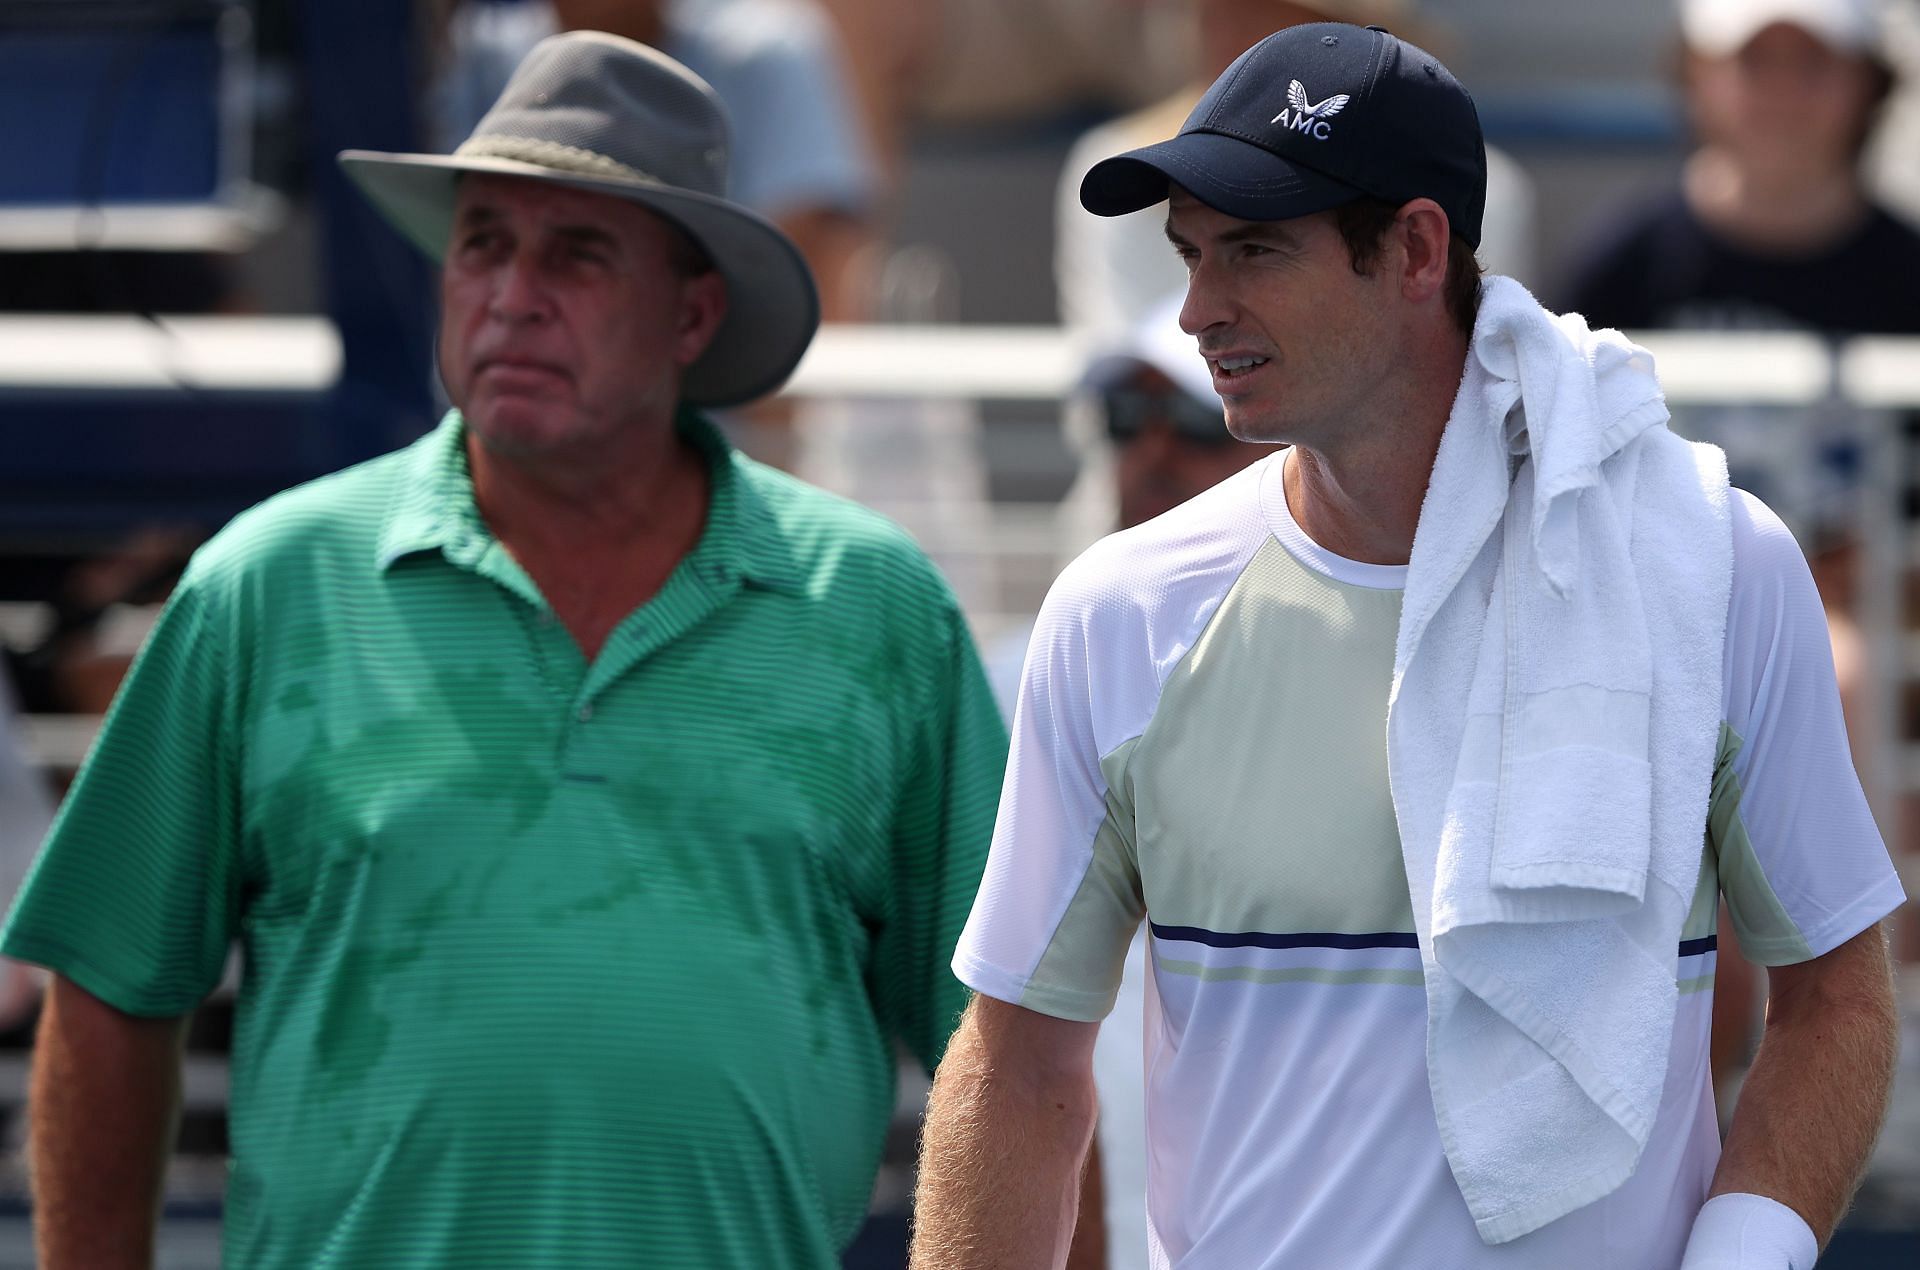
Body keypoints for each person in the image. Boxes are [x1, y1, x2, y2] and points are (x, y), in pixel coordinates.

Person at [3, 32, 1006, 1269]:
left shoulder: (874, 605)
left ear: (693, 312)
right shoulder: (264, 588)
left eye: (578, 253)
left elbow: (1008, 1039)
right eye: (482, 243)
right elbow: (107, 987)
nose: (511, 293)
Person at [912, 21, 1905, 1270]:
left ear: (1419, 251)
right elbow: (1016, 1073)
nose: (1199, 310)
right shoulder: (1116, 613)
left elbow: (1839, 995)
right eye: (1190, 256)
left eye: (1255, 251)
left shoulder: (1718, 568)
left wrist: (1744, 1255)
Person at [984, 295, 1278, 1270]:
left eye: (1193, 422)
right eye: (1124, 418)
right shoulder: (1005, 679)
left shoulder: (1402, 682)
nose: (1150, 452)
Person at [1053, 0, 1538, 345]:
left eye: (1257, 248)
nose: (1193, 316)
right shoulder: (1116, 157)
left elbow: (1467, 371)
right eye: (1211, 10)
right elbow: (1120, 387)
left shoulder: (1487, 186)